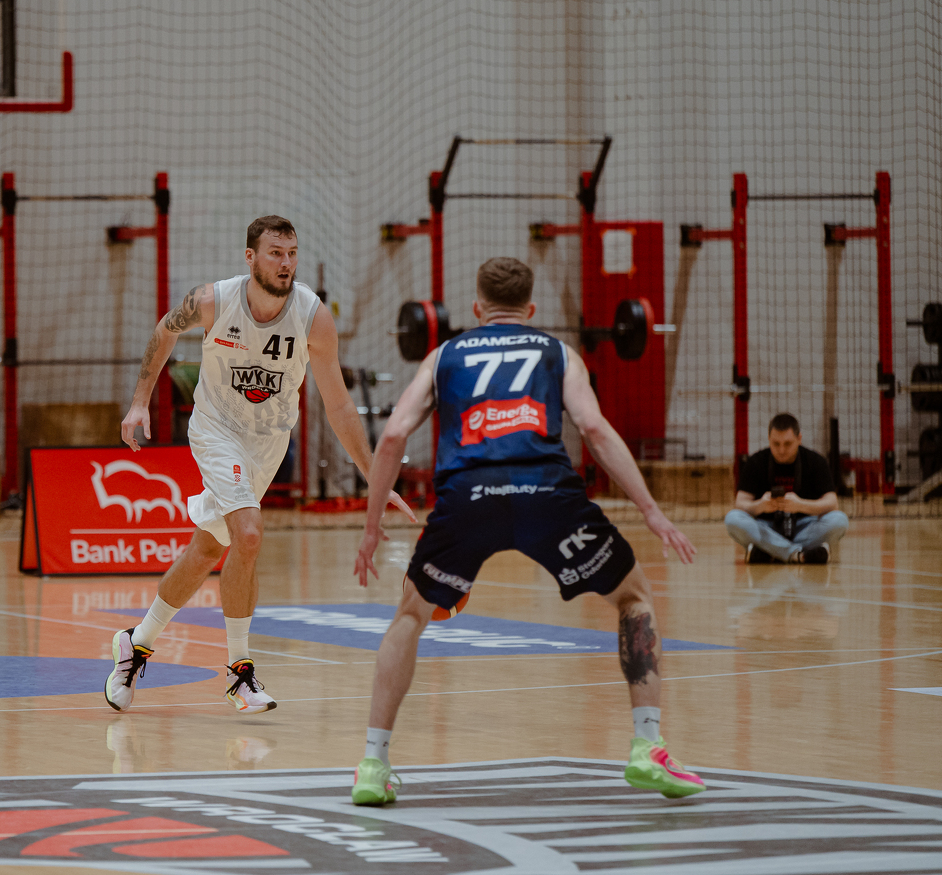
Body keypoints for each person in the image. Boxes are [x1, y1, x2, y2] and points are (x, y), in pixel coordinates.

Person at [349, 257, 705, 805]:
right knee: (633, 595)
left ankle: (373, 764)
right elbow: (594, 429)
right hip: (548, 495)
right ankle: (647, 746)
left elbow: (393, 436)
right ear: (531, 308)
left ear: (476, 307)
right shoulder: (559, 353)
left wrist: (372, 526)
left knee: (410, 615)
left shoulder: (443, 355)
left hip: (468, 497)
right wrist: (652, 511)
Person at [105, 215, 415, 714]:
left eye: (292, 253)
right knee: (248, 534)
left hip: (267, 443)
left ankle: (135, 643)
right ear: (250, 257)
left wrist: (372, 473)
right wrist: (140, 401)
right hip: (216, 431)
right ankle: (239, 672)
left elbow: (338, 404)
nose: (286, 263)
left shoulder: (313, 317)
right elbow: (165, 330)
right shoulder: (213, 300)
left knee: (209, 548)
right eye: (275, 253)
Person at [724, 414, 848, 564]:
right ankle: (796, 553)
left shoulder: (816, 461)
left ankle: (771, 551)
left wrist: (800, 505)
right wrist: (761, 505)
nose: (781, 450)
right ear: (769, 439)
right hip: (767, 527)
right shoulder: (755, 462)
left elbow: (832, 503)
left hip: (804, 526)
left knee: (839, 520)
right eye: (776, 444)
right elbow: (740, 503)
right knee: (732, 519)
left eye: (787, 444)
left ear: (799, 439)